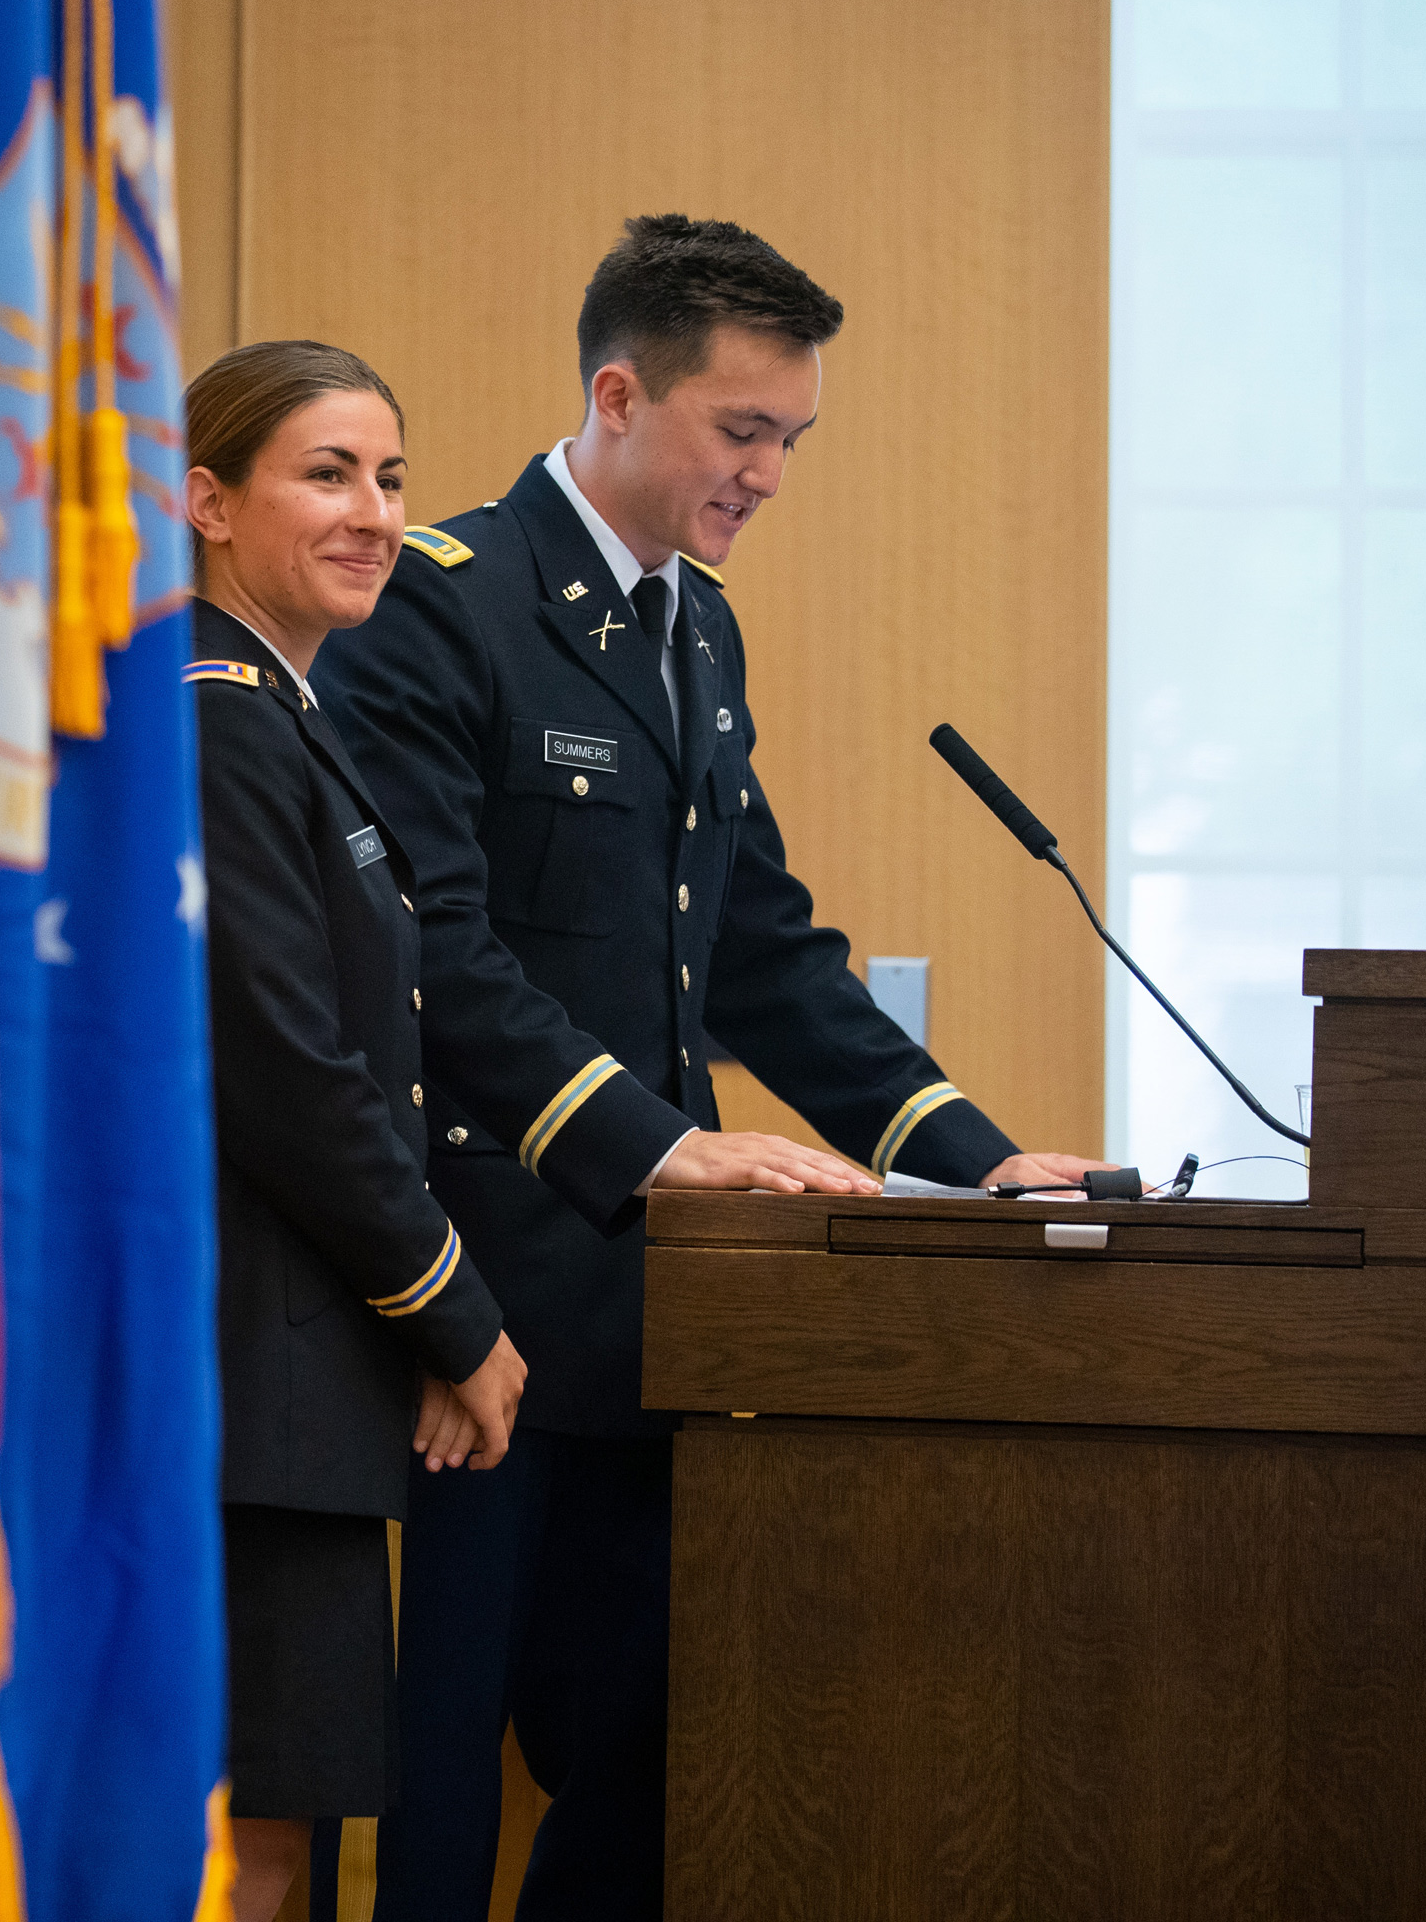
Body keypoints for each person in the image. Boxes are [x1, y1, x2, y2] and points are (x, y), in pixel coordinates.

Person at [309, 215, 1114, 1918]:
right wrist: (671, 1154)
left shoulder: (696, 632)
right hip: (484, 1303)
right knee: (441, 1775)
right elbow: (436, 954)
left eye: (791, 441)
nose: (769, 473)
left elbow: (759, 952)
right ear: (619, 394)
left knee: (654, 1750)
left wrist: (975, 1158)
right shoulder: (445, 612)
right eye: (743, 431)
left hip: (666, 1313)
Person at [179, 339, 538, 1922]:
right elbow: (290, 1065)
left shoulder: (289, 717)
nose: (376, 512)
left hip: (300, 1381)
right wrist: (453, 1314)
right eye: (326, 473)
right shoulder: (220, 721)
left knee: (295, 1829)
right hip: (251, 1387)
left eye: (390, 476)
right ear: (204, 502)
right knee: (254, 1842)